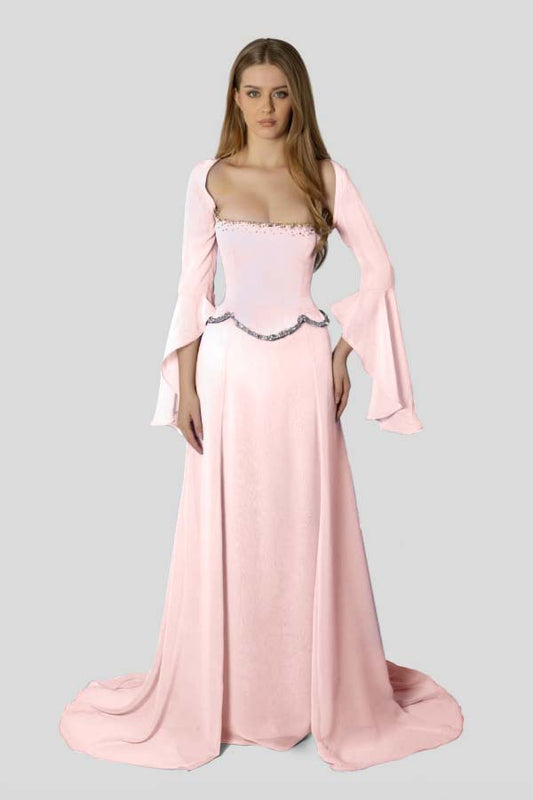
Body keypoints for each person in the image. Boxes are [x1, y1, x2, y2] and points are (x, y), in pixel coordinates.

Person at [59, 37, 463, 772]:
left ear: (297, 97)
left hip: (302, 372)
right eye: (252, 92)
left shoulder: (326, 176)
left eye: (279, 92)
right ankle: (232, 696)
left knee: (302, 524)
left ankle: (308, 693)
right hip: (228, 373)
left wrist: (342, 354)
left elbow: (379, 270)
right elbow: (192, 287)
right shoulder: (209, 176)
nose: (266, 107)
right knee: (231, 526)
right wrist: (184, 384)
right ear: (234, 98)